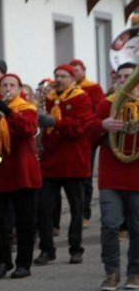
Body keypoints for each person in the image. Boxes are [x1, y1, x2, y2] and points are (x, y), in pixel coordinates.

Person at [87, 62, 139, 291]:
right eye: (119, 77)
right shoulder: (107, 104)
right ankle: (111, 272)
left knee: (137, 227)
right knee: (109, 224)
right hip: (111, 177)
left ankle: (135, 272)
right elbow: (88, 134)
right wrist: (102, 124)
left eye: (128, 76)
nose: (123, 81)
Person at [35, 64, 94, 265]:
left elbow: (80, 126)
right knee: (44, 207)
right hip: (50, 162)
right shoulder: (49, 99)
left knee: (77, 208)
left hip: (73, 162)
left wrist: (55, 123)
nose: (59, 79)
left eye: (63, 76)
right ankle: (46, 249)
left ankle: (75, 248)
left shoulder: (82, 97)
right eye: (56, 76)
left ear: (72, 78)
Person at [0, 74, 41, 279]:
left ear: (19, 89)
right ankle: (3, 260)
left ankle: (23, 263)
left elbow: (28, 129)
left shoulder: (27, 108)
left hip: (22, 171)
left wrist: (8, 112)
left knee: (25, 220)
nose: (8, 88)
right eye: (4, 85)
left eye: (12, 85)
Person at [71, 59, 106, 227]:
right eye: (72, 72)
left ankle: (85, 214)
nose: (75, 74)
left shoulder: (93, 87)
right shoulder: (66, 90)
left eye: (77, 71)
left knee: (86, 177)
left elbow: (99, 109)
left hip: (87, 139)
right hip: (71, 140)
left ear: (84, 71)